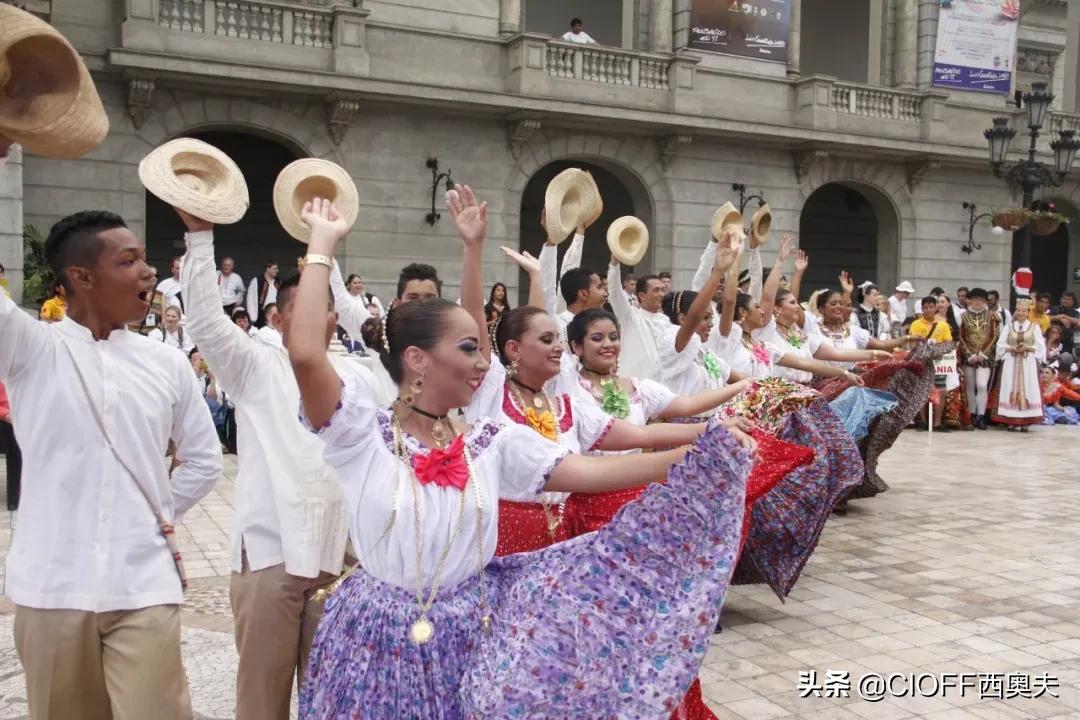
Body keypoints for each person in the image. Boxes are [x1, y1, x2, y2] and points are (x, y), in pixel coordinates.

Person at [288, 197, 751, 719]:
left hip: (469, 634)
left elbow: (589, 470)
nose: (481, 361)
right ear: (417, 360)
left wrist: (695, 453)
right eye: (468, 348)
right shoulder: (361, 435)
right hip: (374, 642)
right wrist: (322, 244)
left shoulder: (491, 440)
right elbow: (305, 354)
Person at [1, 210, 221, 719]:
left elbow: (206, 461)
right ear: (81, 277)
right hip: (50, 588)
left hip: (143, 585)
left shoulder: (165, 363)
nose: (148, 272)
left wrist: (153, 517)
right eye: (130, 261)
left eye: (145, 259)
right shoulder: (31, 349)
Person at [177, 206, 360, 720]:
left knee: (337, 699)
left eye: (323, 306)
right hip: (271, 555)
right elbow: (208, 324)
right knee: (263, 699)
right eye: (299, 309)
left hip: (344, 559)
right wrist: (200, 236)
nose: (313, 318)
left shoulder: (359, 375)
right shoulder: (256, 367)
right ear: (277, 319)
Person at [331, 260, 443, 405]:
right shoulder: (379, 334)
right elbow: (343, 306)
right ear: (397, 303)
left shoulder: (453, 342)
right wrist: (326, 254)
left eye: (429, 298)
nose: (421, 304)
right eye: (413, 298)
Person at [992, 300, 1046, 431]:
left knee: (1028, 387)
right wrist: (1012, 349)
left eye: (1024, 311)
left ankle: (1026, 420)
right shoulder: (1009, 327)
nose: (1021, 313)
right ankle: (1010, 419)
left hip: (1028, 363)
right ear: (1015, 312)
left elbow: (1040, 347)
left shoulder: (1034, 327)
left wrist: (1027, 347)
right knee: (1009, 385)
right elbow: (1000, 345)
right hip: (1011, 361)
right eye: (1019, 310)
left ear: (1028, 312)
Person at [957, 288, 998, 431]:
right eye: (975, 299)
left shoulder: (992, 316)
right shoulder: (962, 316)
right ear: (970, 300)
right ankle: (972, 414)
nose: (978, 302)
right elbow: (960, 337)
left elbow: (994, 336)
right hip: (969, 357)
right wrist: (969, 354)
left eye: (981, 299)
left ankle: (981, 415)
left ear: (985, 301)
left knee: (981, 385)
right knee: (970, 386)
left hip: (985, 357)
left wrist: (983, 353)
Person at [0, 381, 20, 510]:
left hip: (16, 416)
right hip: (3, 418)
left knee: (16, 455)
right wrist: (5, 414)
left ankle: (14, 499)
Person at [247, 260, 280, 327]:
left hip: (275, 313)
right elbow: (251, 299)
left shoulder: (277, 282)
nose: (277, 270)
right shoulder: (257, 281)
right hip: (261, 315)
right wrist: (252, 317)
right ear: (268, 269)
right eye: (274, 268)